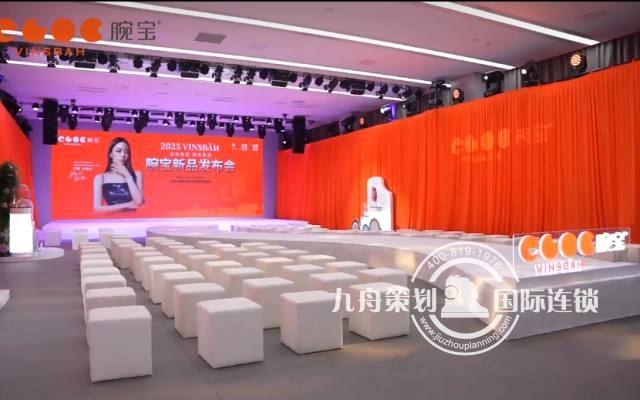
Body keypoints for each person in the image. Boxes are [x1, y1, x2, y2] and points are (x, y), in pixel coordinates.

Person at [93, 137, 144, 213]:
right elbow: (97, 209)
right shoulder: (101, 178)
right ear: (111, 154)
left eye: (127, 152)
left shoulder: (137, 174)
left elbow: (139, 201)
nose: (123, 155)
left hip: (132, 219)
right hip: (111, 219)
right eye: (118, 151)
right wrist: (125, 205)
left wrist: (126, 174)